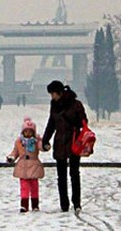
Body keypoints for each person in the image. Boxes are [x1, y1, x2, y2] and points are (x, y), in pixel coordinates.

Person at [42, 80, 87, 213]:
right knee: (61, 176)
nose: (52, 97)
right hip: (60, 142)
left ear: (60, 92)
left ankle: (76, 202)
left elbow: (83, 122)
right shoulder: (54, 105)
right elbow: (51, 123)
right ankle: (64, 204)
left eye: (53, 94)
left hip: (74, 142)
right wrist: (45, 140)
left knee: (74, 173)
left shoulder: (76, 104)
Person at [6, 116, 44, 212]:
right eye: (26, 131)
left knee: (34, 187)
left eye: (30, 131)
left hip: (34, 165)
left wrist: (44, 144)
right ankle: (24, 205)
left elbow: (41, 147)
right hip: (22, 167)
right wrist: (12, 157)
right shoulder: (19, 142)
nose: (28, 133)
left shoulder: (36, 142)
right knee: (24, 187)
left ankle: (35, 205)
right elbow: (15, 152)